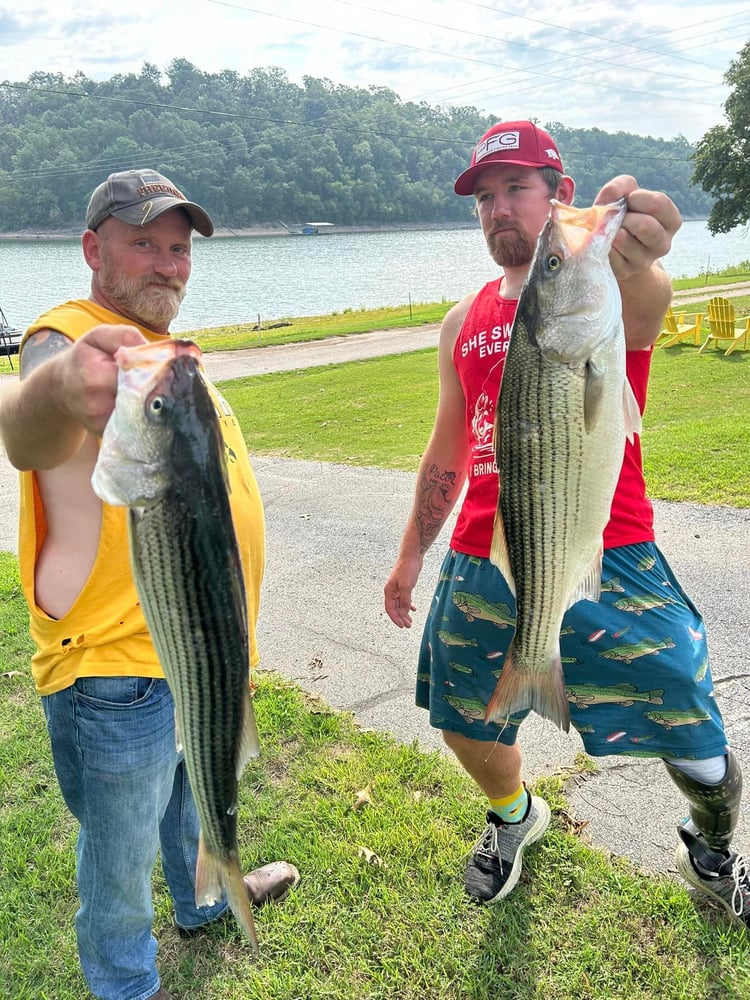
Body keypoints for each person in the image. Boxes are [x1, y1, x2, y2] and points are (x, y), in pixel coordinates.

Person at [384, 121, 749, 928]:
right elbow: (447, 445)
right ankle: (515, 816)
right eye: (484, 198)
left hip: (612, 549)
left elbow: (648, 293)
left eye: (515, 188)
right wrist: (412, 556)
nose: (497, 211)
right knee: (462, 720)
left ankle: (713, 851)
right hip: (483, 550)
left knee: (698, 740)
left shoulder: (608, 290)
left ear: (561, 198)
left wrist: (642, 244)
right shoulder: (461, 320)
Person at [0, 169, 300, 1000]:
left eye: (179, 249)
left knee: (190, 800)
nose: (167, 264)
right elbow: (26, 416)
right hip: (111, 673)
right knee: (118, 860)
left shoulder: (165, 364)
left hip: (193, 649)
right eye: (144, 244)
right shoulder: (70, 337)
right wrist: (59, 389)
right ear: (94, 249)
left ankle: (208, 897)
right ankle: (127, 985)